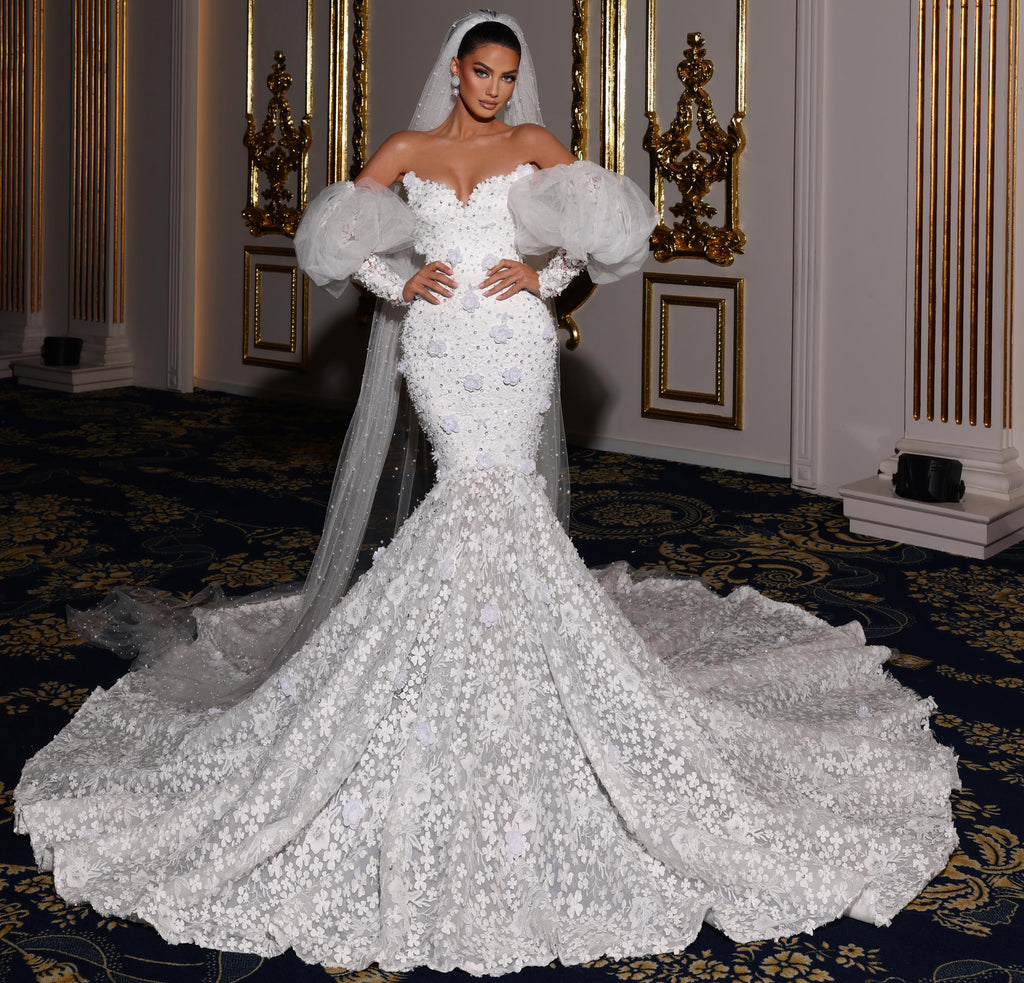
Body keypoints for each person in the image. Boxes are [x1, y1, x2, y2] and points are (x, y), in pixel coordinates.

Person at [16, 10, 958, 977]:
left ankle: (526, 664)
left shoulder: (534, 144)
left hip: (510, 345)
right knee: (465, 498)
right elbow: (331, 239)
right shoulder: (410, 146)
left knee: (503, 502)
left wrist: (546, 277)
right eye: (483, 72)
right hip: (438, 345)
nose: (497, 88)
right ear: (456, 69)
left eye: (509, 75)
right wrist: (395, 279)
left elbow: (614, 227)